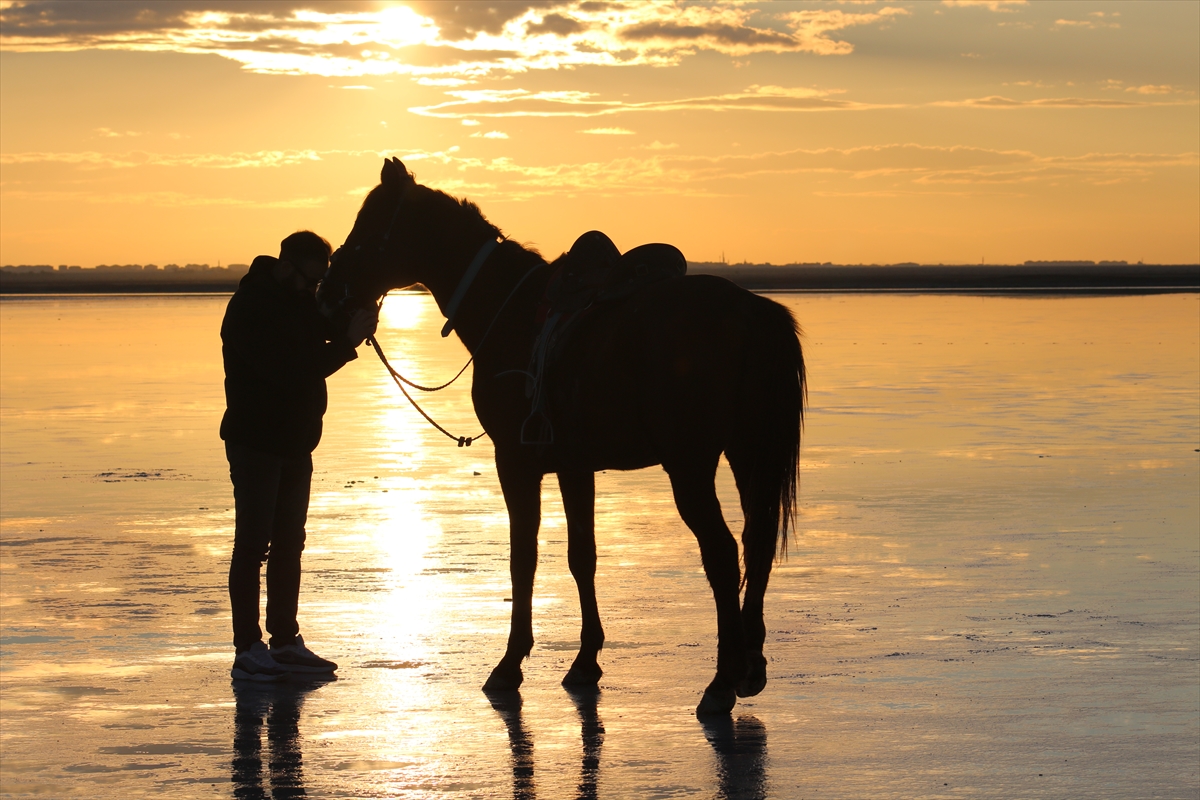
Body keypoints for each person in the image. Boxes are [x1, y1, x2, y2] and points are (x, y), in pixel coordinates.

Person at [220, 230, 377, 682]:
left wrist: (357, 319)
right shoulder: (249, 307)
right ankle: (248, 647)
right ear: (286, 266)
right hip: (255, 443)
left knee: (290, 544)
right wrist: (345, 347)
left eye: (318, 284)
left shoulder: (299, 299)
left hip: (295, 442)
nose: (313, 290)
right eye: (310, 281)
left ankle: (284, 640)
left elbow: (320, 334)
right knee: (252, 546)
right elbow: (289, 371)